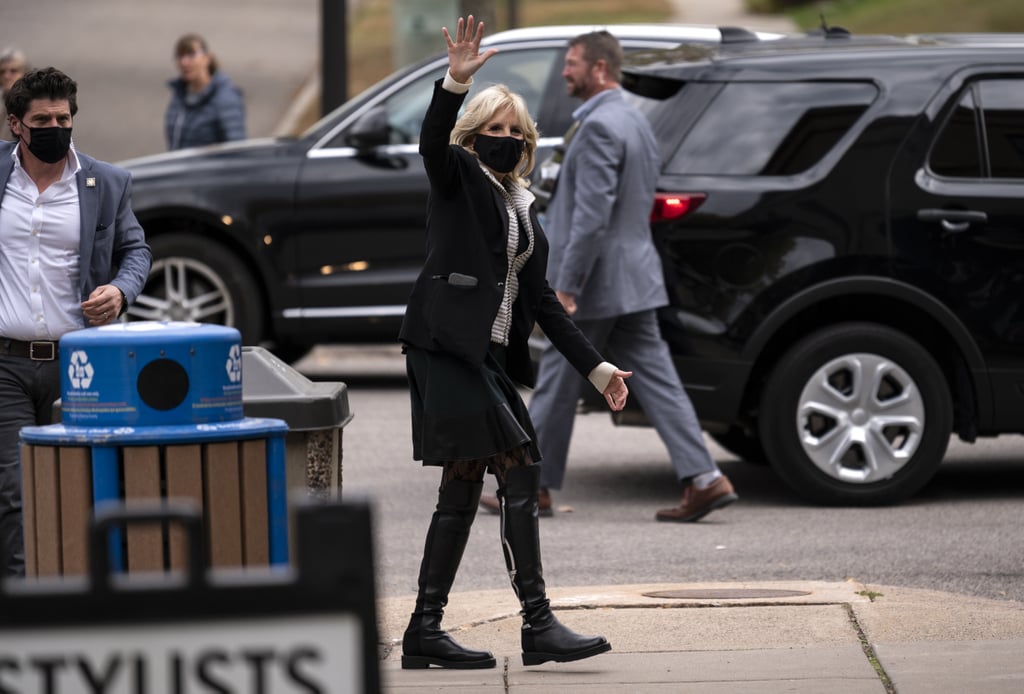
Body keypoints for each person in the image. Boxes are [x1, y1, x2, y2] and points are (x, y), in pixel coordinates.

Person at [398, 16, 632, 670]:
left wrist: (598, 368)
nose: (501, 139)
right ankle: (537, 623)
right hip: (444, 348)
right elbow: (431, 146)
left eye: (512, 131)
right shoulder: (456, 179)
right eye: (491, 130)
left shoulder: (525, 207)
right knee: (521, 465)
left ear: (525, 141)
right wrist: (454, 82)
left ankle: (424, 631)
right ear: (472, 137)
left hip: (489, 360)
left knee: (463, 487)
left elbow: (542, 306)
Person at [482, 30, 738, 523]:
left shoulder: (601, 127)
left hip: (597, 282)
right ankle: (705, 479)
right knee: (660, 381)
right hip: (634, 278)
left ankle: (529, 485)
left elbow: (592, 216)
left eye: (573, 63)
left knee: (557, 379)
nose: (565, 72)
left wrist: (568, 285)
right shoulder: (635, 120)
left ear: (599, 68)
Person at [0, 67, 152, 576]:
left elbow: (136, 252)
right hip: (7, 364)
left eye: (63, 118)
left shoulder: (106, 182)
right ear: (16, 124)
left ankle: (82, 600)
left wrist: (120, 290)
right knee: (17, 492)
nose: (55, 127)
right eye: (41, 118)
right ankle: (26, 614)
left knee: (83, 486)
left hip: (81, 363)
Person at [164, 33, 246, 150]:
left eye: (191, 55)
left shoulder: (226, 98)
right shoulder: (179, 96)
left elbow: (237, 149)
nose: (184, 62)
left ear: (206, 58)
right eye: (180, 56)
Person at [0, 48, 27, 140]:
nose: (6, 76)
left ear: (24, 72)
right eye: (2, 72)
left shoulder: (31, 101)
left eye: (13, 71)